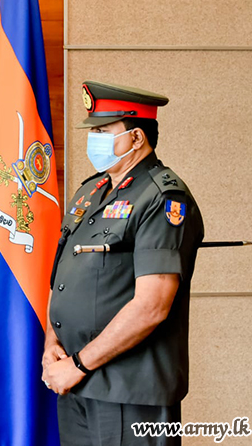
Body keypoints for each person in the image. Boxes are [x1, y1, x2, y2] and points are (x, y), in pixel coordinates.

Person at [41, 81, 204, 445]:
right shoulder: (91, 191)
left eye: (103, 131)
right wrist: (53, 344)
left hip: (129, 390)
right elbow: (63, 277)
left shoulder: (162, 199)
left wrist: (77, 364)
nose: (93, 139)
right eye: (93, 131)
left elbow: (151, 307)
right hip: (77, 382)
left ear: (137, 137)